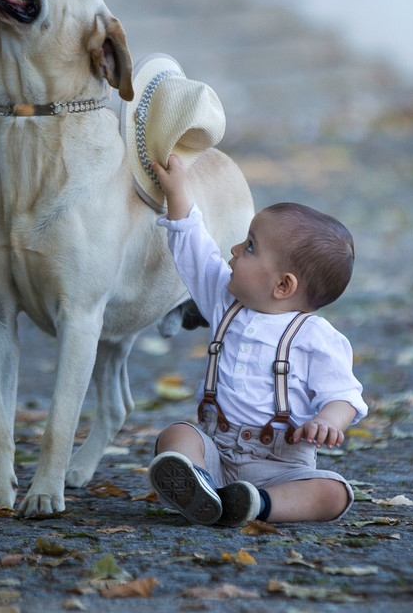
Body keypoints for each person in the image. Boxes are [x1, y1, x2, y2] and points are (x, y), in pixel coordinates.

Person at [147, 154, 367, 526]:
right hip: (216, 451)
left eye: (249, 246)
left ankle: (255, 504)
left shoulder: (315, 338)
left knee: (334, 493)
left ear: (283, 285)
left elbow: (344, 395)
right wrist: (178, 191)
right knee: (178, 435)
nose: (234, 250)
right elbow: (194, 248)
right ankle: (198, 484)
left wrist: (330, 421)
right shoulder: (224, 300)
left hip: (280, 467)